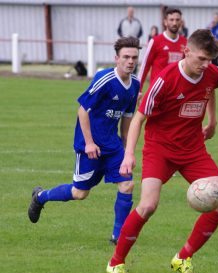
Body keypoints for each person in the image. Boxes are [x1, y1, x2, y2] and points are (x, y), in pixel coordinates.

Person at [106, 29, 218, 273]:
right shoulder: (165, 80)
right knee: (148, 205)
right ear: (187, 51)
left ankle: (183, 257)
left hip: (193, 149)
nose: (206, 65)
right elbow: (139, 118)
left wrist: (213, 120)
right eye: (201, 59)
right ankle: (115, 263)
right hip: (160, 150)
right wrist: (128, 154)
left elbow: (211, 90)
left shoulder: (212, 73)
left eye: (210, 60)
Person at [28, 37, 142, 246]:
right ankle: (41, 196)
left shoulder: (135, 84)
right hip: (89, 145)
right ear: (116, 58)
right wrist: (89, 143)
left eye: (134, 57)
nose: (130, 61)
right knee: (80, 193)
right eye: (126, 57)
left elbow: (127, 118)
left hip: (113, 145)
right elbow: (83, 110)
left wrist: (127, 150)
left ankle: (118, 237)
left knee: (127, 184)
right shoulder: (104, 79)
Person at [138, 7, 187, 92]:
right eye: (171, 20)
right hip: (157, 90)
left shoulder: (185, 42)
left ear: (181, 22)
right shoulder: (155, 41)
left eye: (177, 20)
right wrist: (138, 89)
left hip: (175, 91)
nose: (174, 23)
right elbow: (145, 66)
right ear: (165, 22)